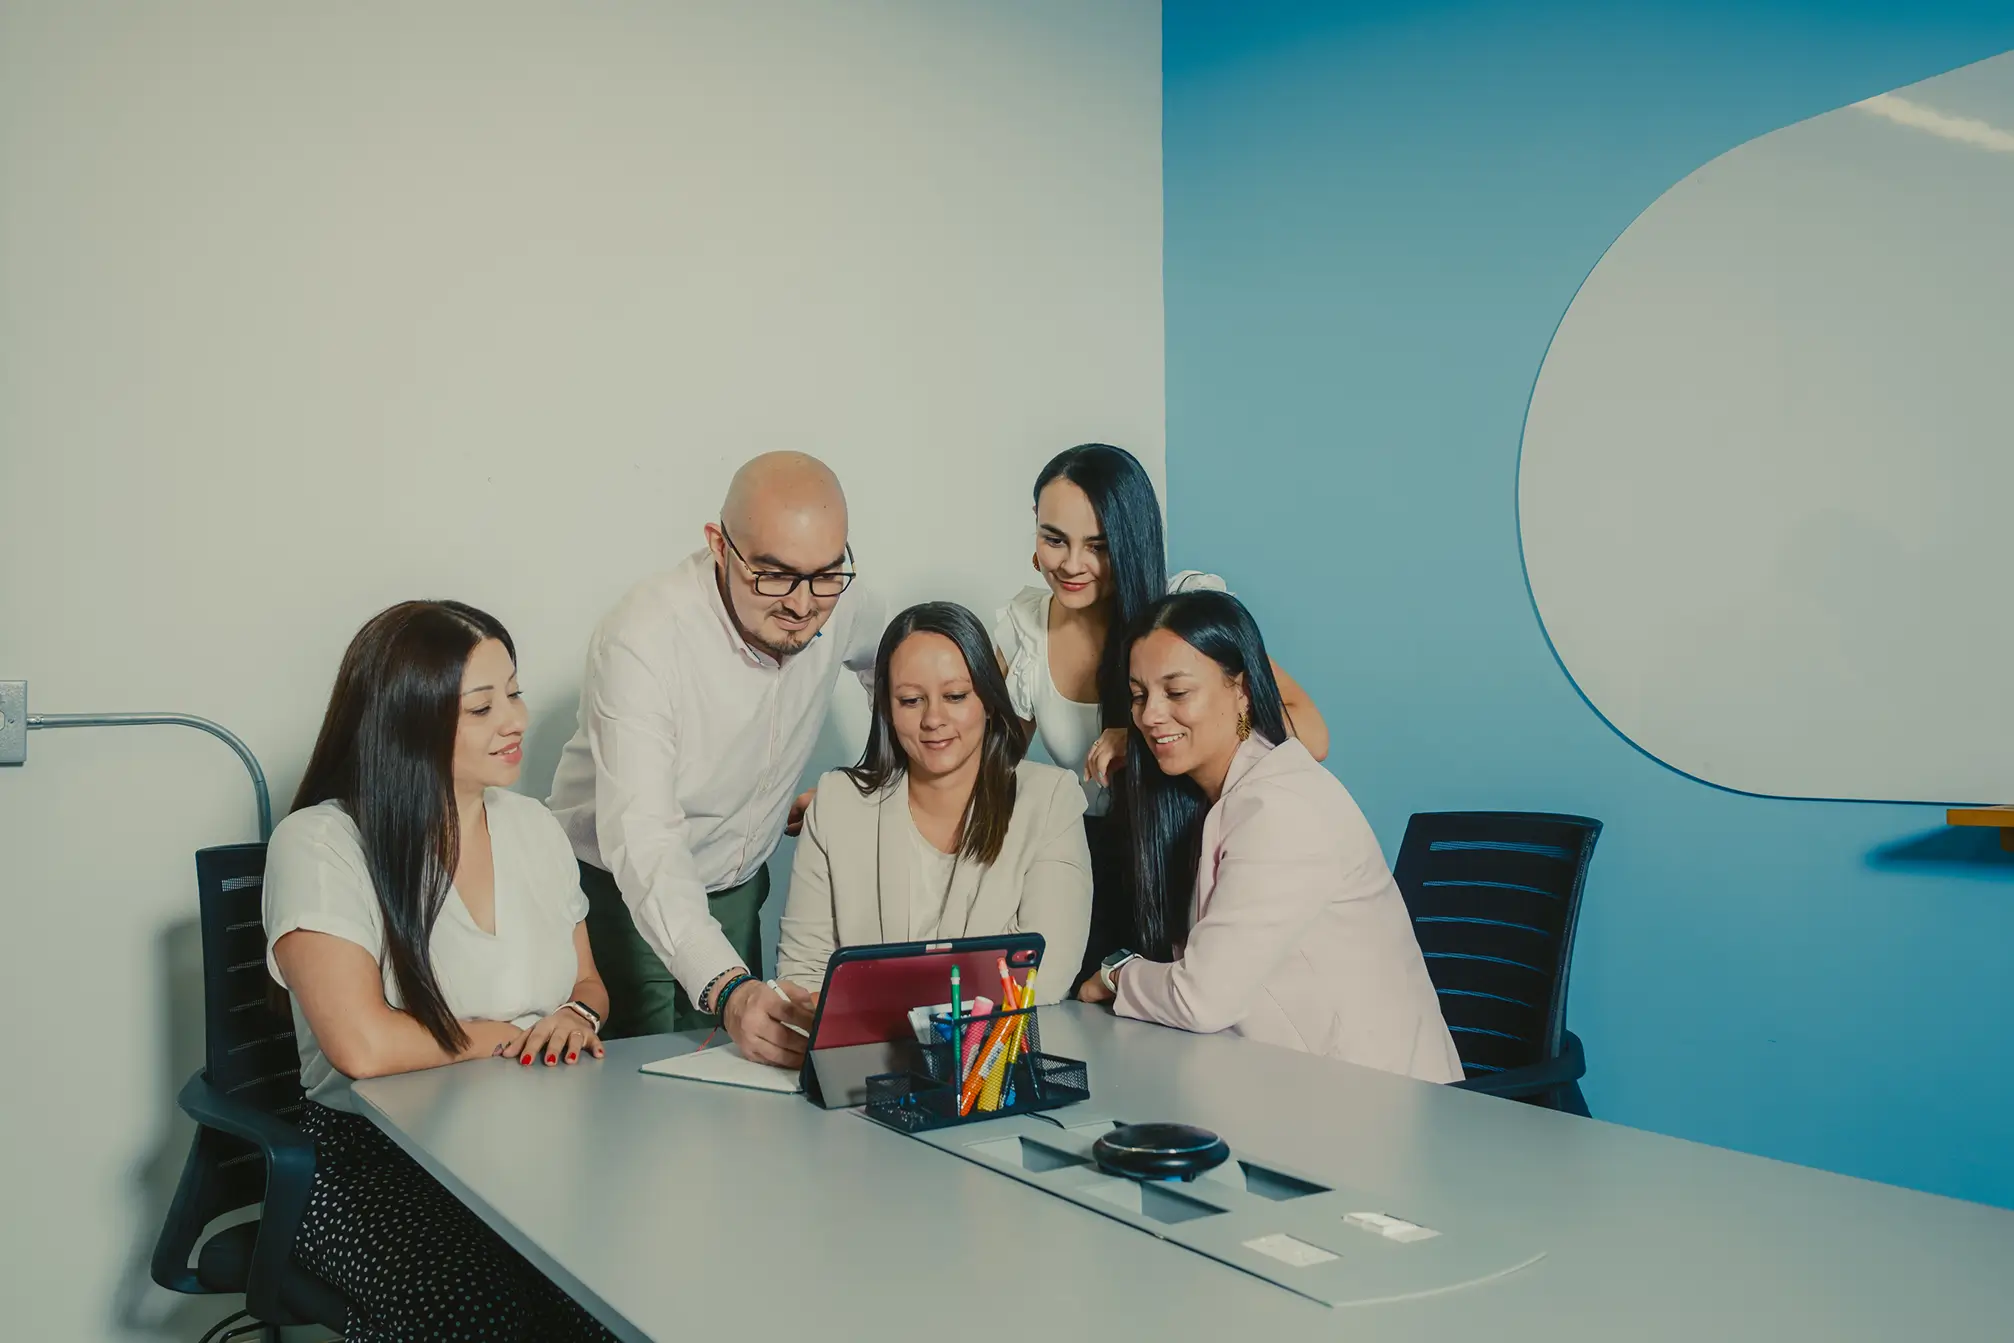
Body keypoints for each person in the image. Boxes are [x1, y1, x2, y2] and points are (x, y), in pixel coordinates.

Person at [263, 601, 617, 1343]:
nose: (515, 719)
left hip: (535, 1138)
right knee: (475, 1315)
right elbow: (363, 1044)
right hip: (372, 1162)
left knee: (618, 1294)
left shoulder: (533, 826)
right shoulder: (322, 843)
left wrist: (576, 1017)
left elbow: (588, 981)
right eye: (482, 706)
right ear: (408, 719)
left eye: (513, 693)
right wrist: (503, 1035)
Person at [547, 451, 884, 1065]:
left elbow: (901, 676)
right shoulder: (642, 637)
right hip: (618, 899)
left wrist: (872, 785)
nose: (804, 605)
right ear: (719, 545)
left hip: (739, 892)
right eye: (774, 575)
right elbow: (643, 837)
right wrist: (725, 984)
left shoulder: (843, 599)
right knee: (637, 1108)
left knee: (737, 1097)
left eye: (825, 575)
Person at [1078, 590, 1460, 1084]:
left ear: (1241, 691)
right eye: (1139, 695)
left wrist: (1117, 974)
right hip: (1290, 1087)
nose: (1150, 715)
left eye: (1176, 693)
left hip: (1378, 1107)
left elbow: (1201, 997)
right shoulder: (1223, 798)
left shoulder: (1281, 807)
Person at [992, 443, 1330, 990]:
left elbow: (1309, 732)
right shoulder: (1025, 627)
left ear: (1130, 542)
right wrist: (875, 795)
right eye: (1054, 539)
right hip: (1096, 862)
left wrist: (1150, 732)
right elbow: (988, 766)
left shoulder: (1183, 607)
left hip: (1192, 850)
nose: (1072, 564)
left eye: (1097, 546)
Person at [778, 602, 1091, 1002]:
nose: (933, 719)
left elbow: (1044, 977)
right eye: (911, 700)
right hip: (860, 1059)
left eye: (956, 696)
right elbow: (801, 976)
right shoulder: (836, 803)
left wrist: (874, 999)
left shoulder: (1050, 801)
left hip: (991, 1060)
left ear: (989, 701)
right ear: (887, 710)